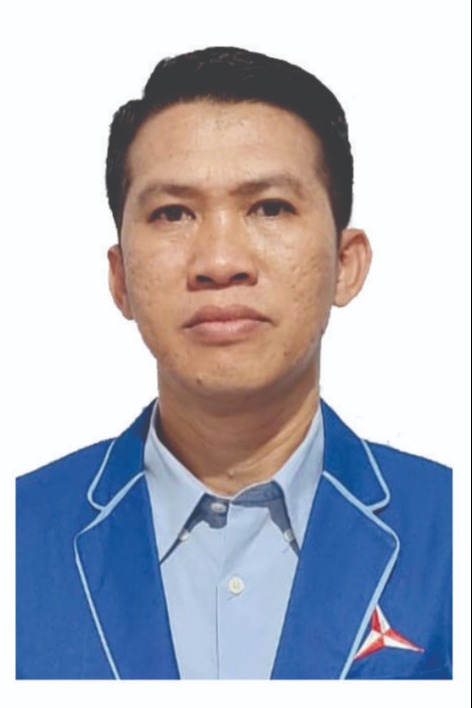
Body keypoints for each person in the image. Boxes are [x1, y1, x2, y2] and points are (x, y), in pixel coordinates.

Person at [16, 46, 452, 680]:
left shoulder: (449, 530)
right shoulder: (18, 534)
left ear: (346, 263)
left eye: (269, 207)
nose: (220, 262)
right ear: (120, 279)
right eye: (173, 213)